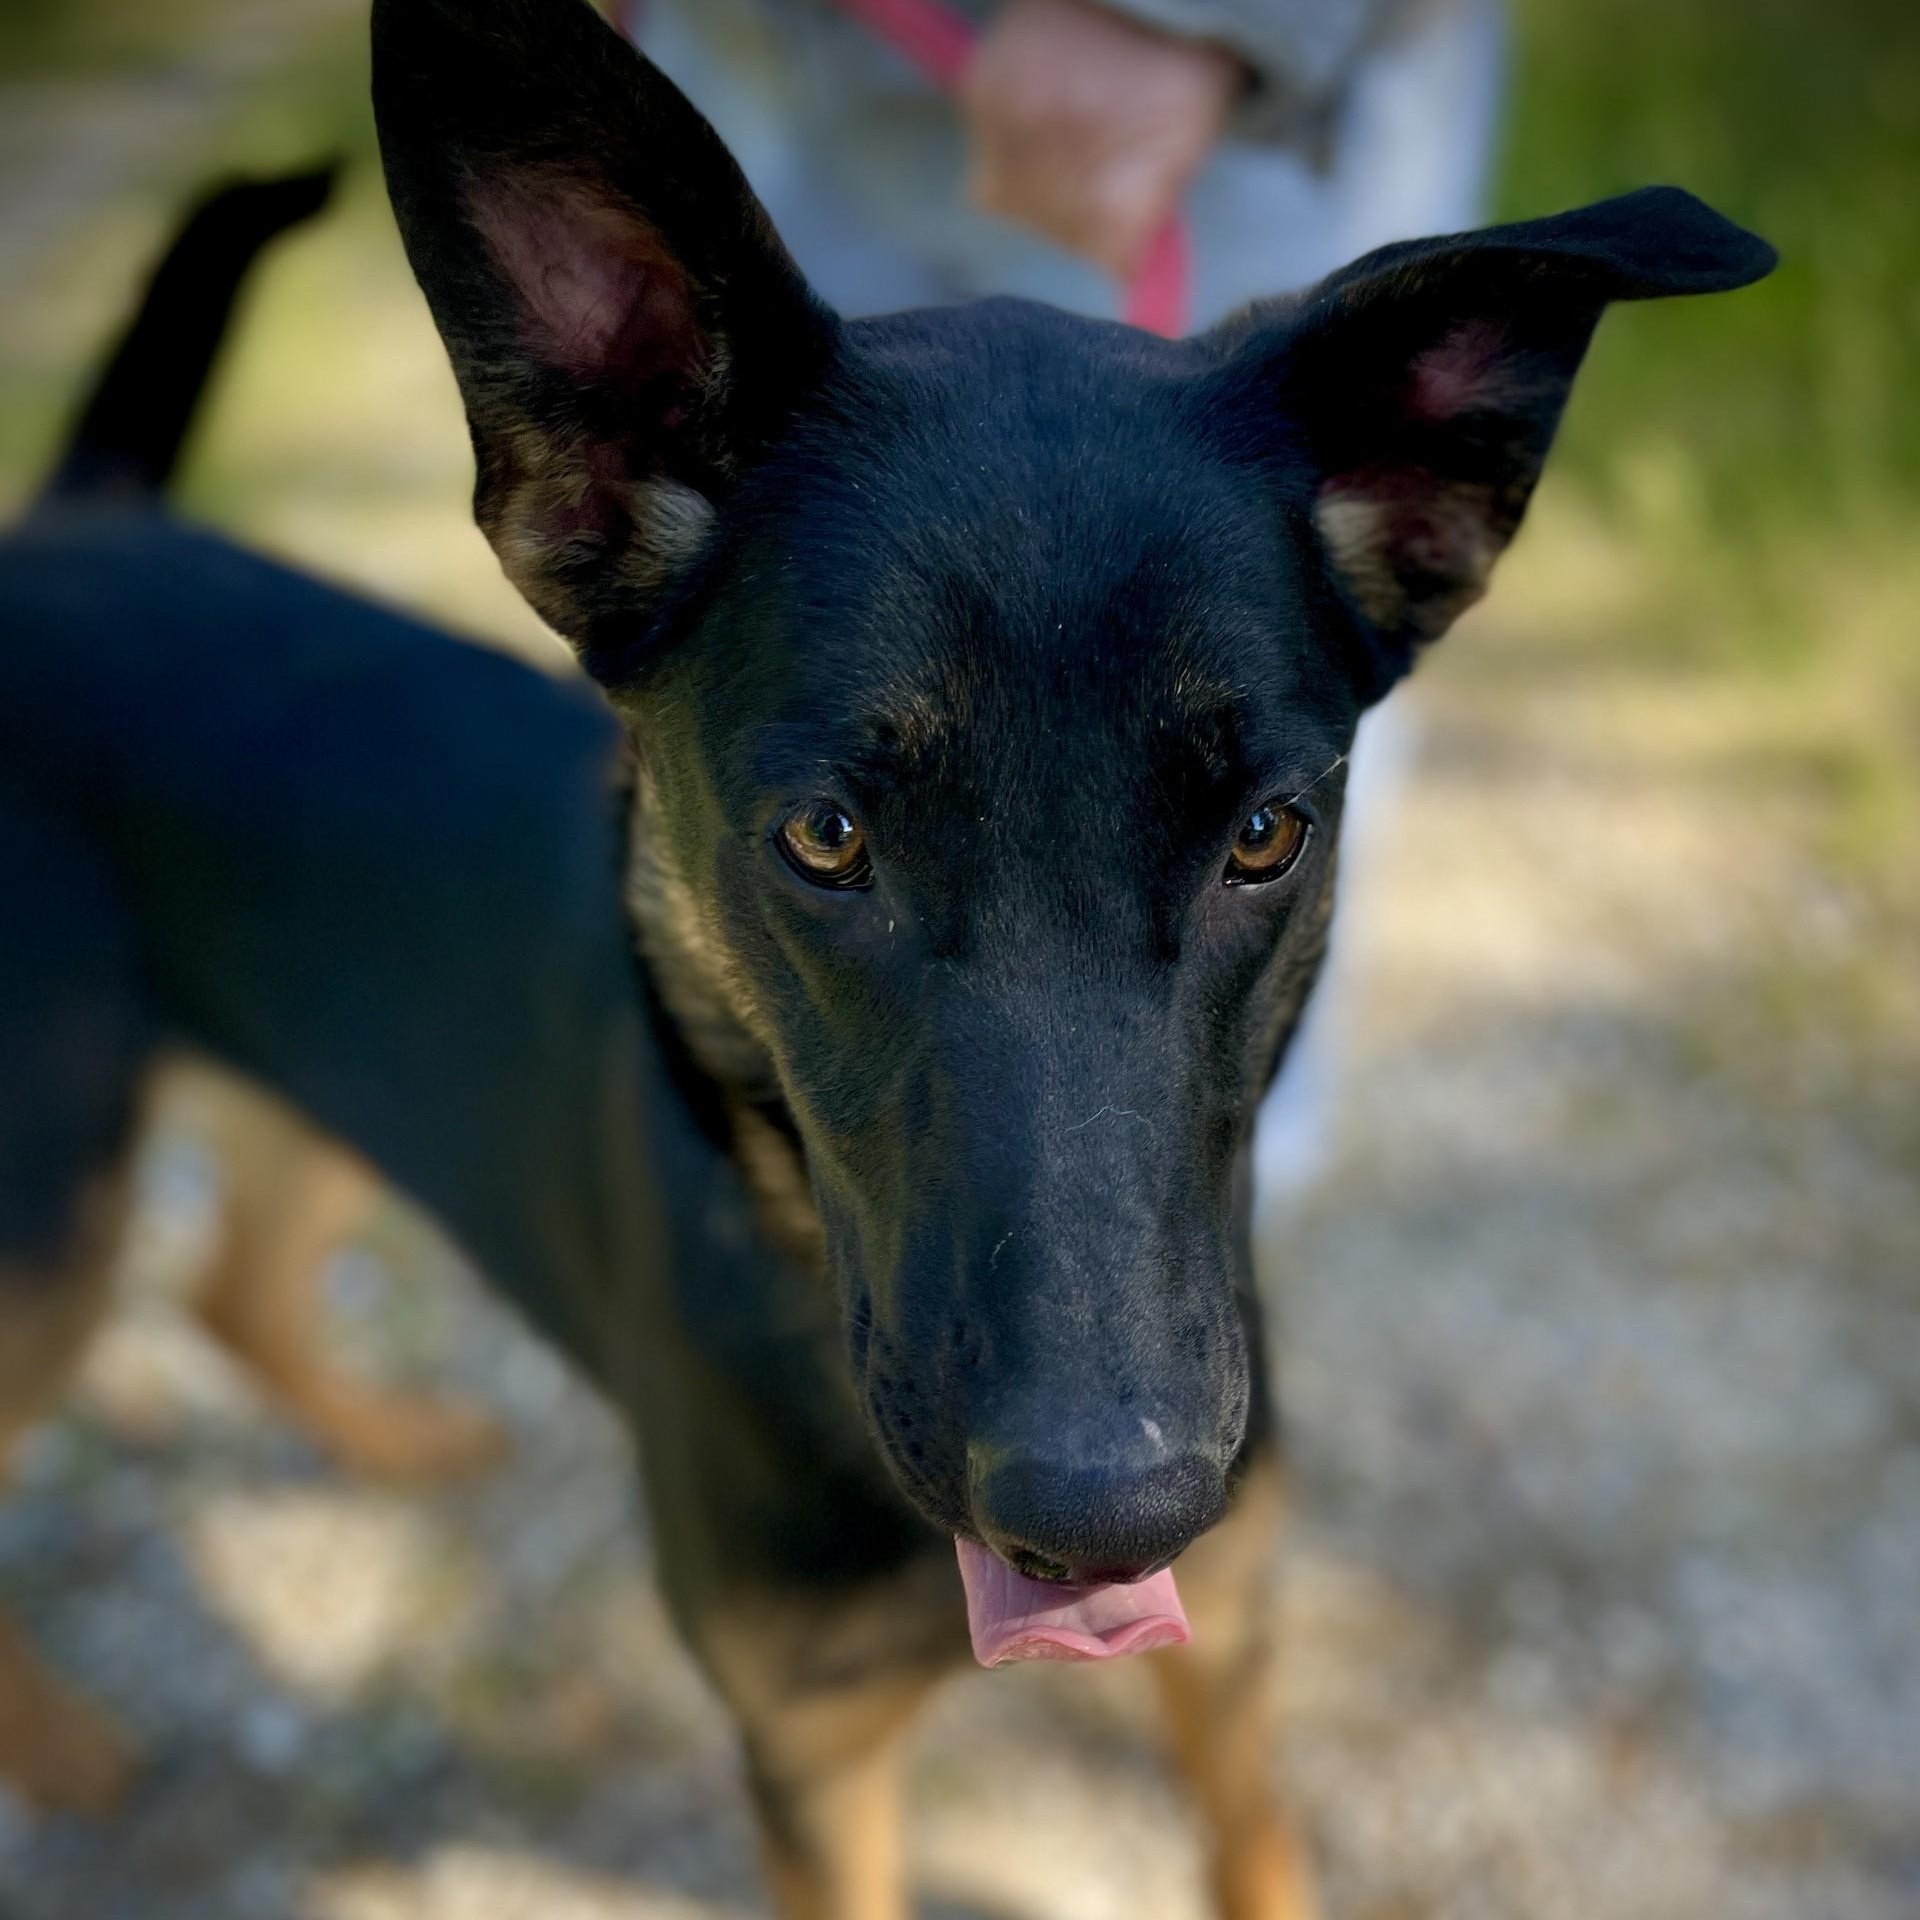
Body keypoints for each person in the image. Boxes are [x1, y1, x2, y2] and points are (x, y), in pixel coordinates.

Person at [624, 0, 1506, 1202]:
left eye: (1261, 841)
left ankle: (1228, 1232)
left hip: (1206, 100)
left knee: (1231, 746)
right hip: (762, 62)